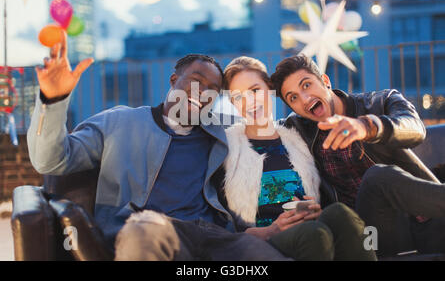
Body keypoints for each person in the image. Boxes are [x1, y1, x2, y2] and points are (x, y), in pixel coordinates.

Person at [27, 31, 292, 261]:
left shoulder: (222, 129)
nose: (203, 93)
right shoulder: (118, 122)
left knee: (260, 253)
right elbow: (51, 160)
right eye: (196, 81)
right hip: (148, 229)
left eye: (213, 90)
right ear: (173, 80)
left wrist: (332, 110)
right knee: (143, 233)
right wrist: (53, 99)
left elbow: (274, 129)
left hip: (213, 235)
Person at [270, 54, 445, 256]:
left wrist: (368, 127)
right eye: (293, 98)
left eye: (306, 85)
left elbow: (415, 129)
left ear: (325, 81)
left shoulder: (381, 102)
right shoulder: (298, 130)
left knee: (378, 177)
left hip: (427, 218)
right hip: (372, 236)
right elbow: (256, 133)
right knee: (375, 180)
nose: (305, 99)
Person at [220, 56, 376, 261]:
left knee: (340, 213)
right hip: (263, 241)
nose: (249, 102)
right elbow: (216, 217)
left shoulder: (298, 138)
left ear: (270, 89)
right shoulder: (226, 149)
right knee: (313, 235)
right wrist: (268, 230)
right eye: (238, 97)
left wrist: (314, 208)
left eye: (255, 90)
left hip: (309, 228)